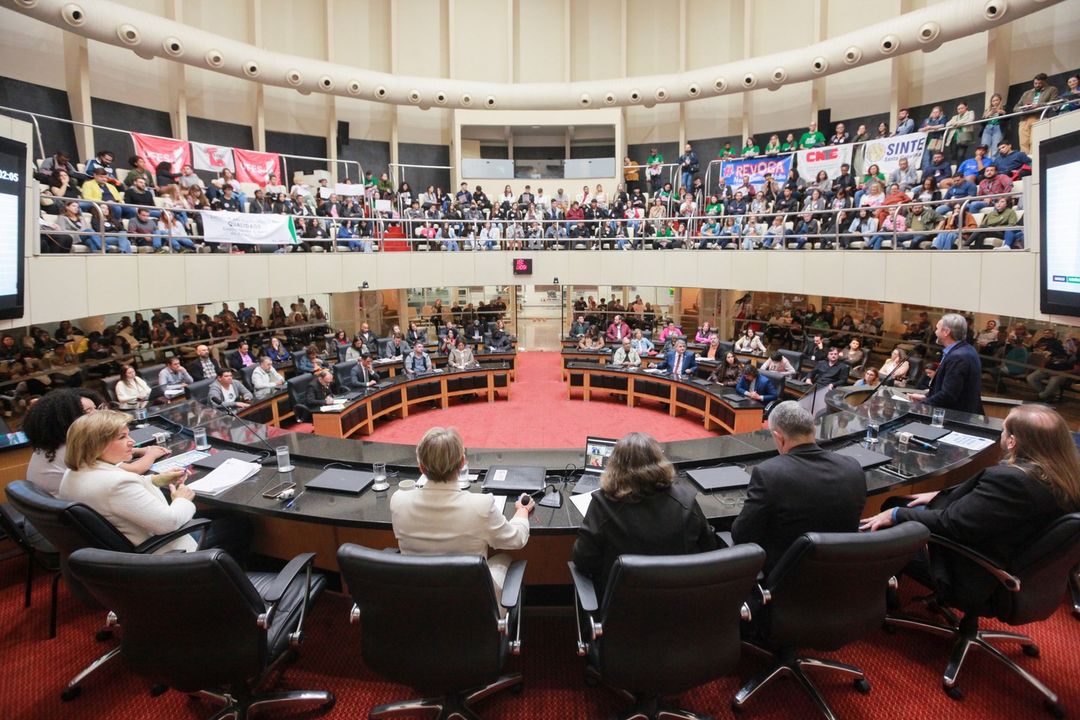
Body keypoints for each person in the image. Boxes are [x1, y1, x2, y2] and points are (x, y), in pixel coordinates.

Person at [860, 404, 1080, 601]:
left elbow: (952, 524)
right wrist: (940, 493)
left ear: (1012, 441)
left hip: (969, 566)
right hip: (1009, 551)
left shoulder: (1012, 481)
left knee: (887, 516)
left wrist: (896, 514)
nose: (1001, 435)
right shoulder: (1066, 475)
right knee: (901, 502)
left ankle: (876, 598)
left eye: (1003, 430)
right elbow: (993, 507)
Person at [391, 427, 532, 604]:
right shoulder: (480, 506)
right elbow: (516, 539)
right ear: (462, 462)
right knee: (503, 558)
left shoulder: (398, 501)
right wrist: (522, 511)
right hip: (471, 608)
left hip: (417, 602)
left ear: (421, 468)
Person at [571, 432, 717, 598]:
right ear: (660, 462)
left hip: (622, 610)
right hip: (681, 605)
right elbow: (709, 548)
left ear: (614, 467)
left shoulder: (603, 505)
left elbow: (583, 560)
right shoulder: (686, 501)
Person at [731, 401, 866, 572]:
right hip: (842, 571)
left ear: (778, 437)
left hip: (785, 578)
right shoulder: (852, 467)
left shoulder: (769, 473)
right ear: (813, 429)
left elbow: (742, 535)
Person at [58, 410, 197, 553]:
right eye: (122, 437)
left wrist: (155, 480)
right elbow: (170, 522)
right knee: (220, 523)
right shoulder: (116, 484)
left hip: (119, 556)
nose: (132, 442)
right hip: (168, 553)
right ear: (97, 445)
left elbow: (121, 497)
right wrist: (181, 499)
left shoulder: (73, 472)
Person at [24, 389, 169, 496]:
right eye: (88, 411)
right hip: (74, 523)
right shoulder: (74, 447)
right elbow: (132, 470)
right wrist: (152, 454)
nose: (98, 414)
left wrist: (138, 450)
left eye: (97, 408)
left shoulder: (52, 444)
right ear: (67, 418)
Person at [909, 313, 983, 415]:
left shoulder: (958, 357)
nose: (935, 332)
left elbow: (949, 395)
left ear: (946, 332)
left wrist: (922, 404)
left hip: (956, 417)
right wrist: (927, 397)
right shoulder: (967, 349)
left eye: (937, 329)